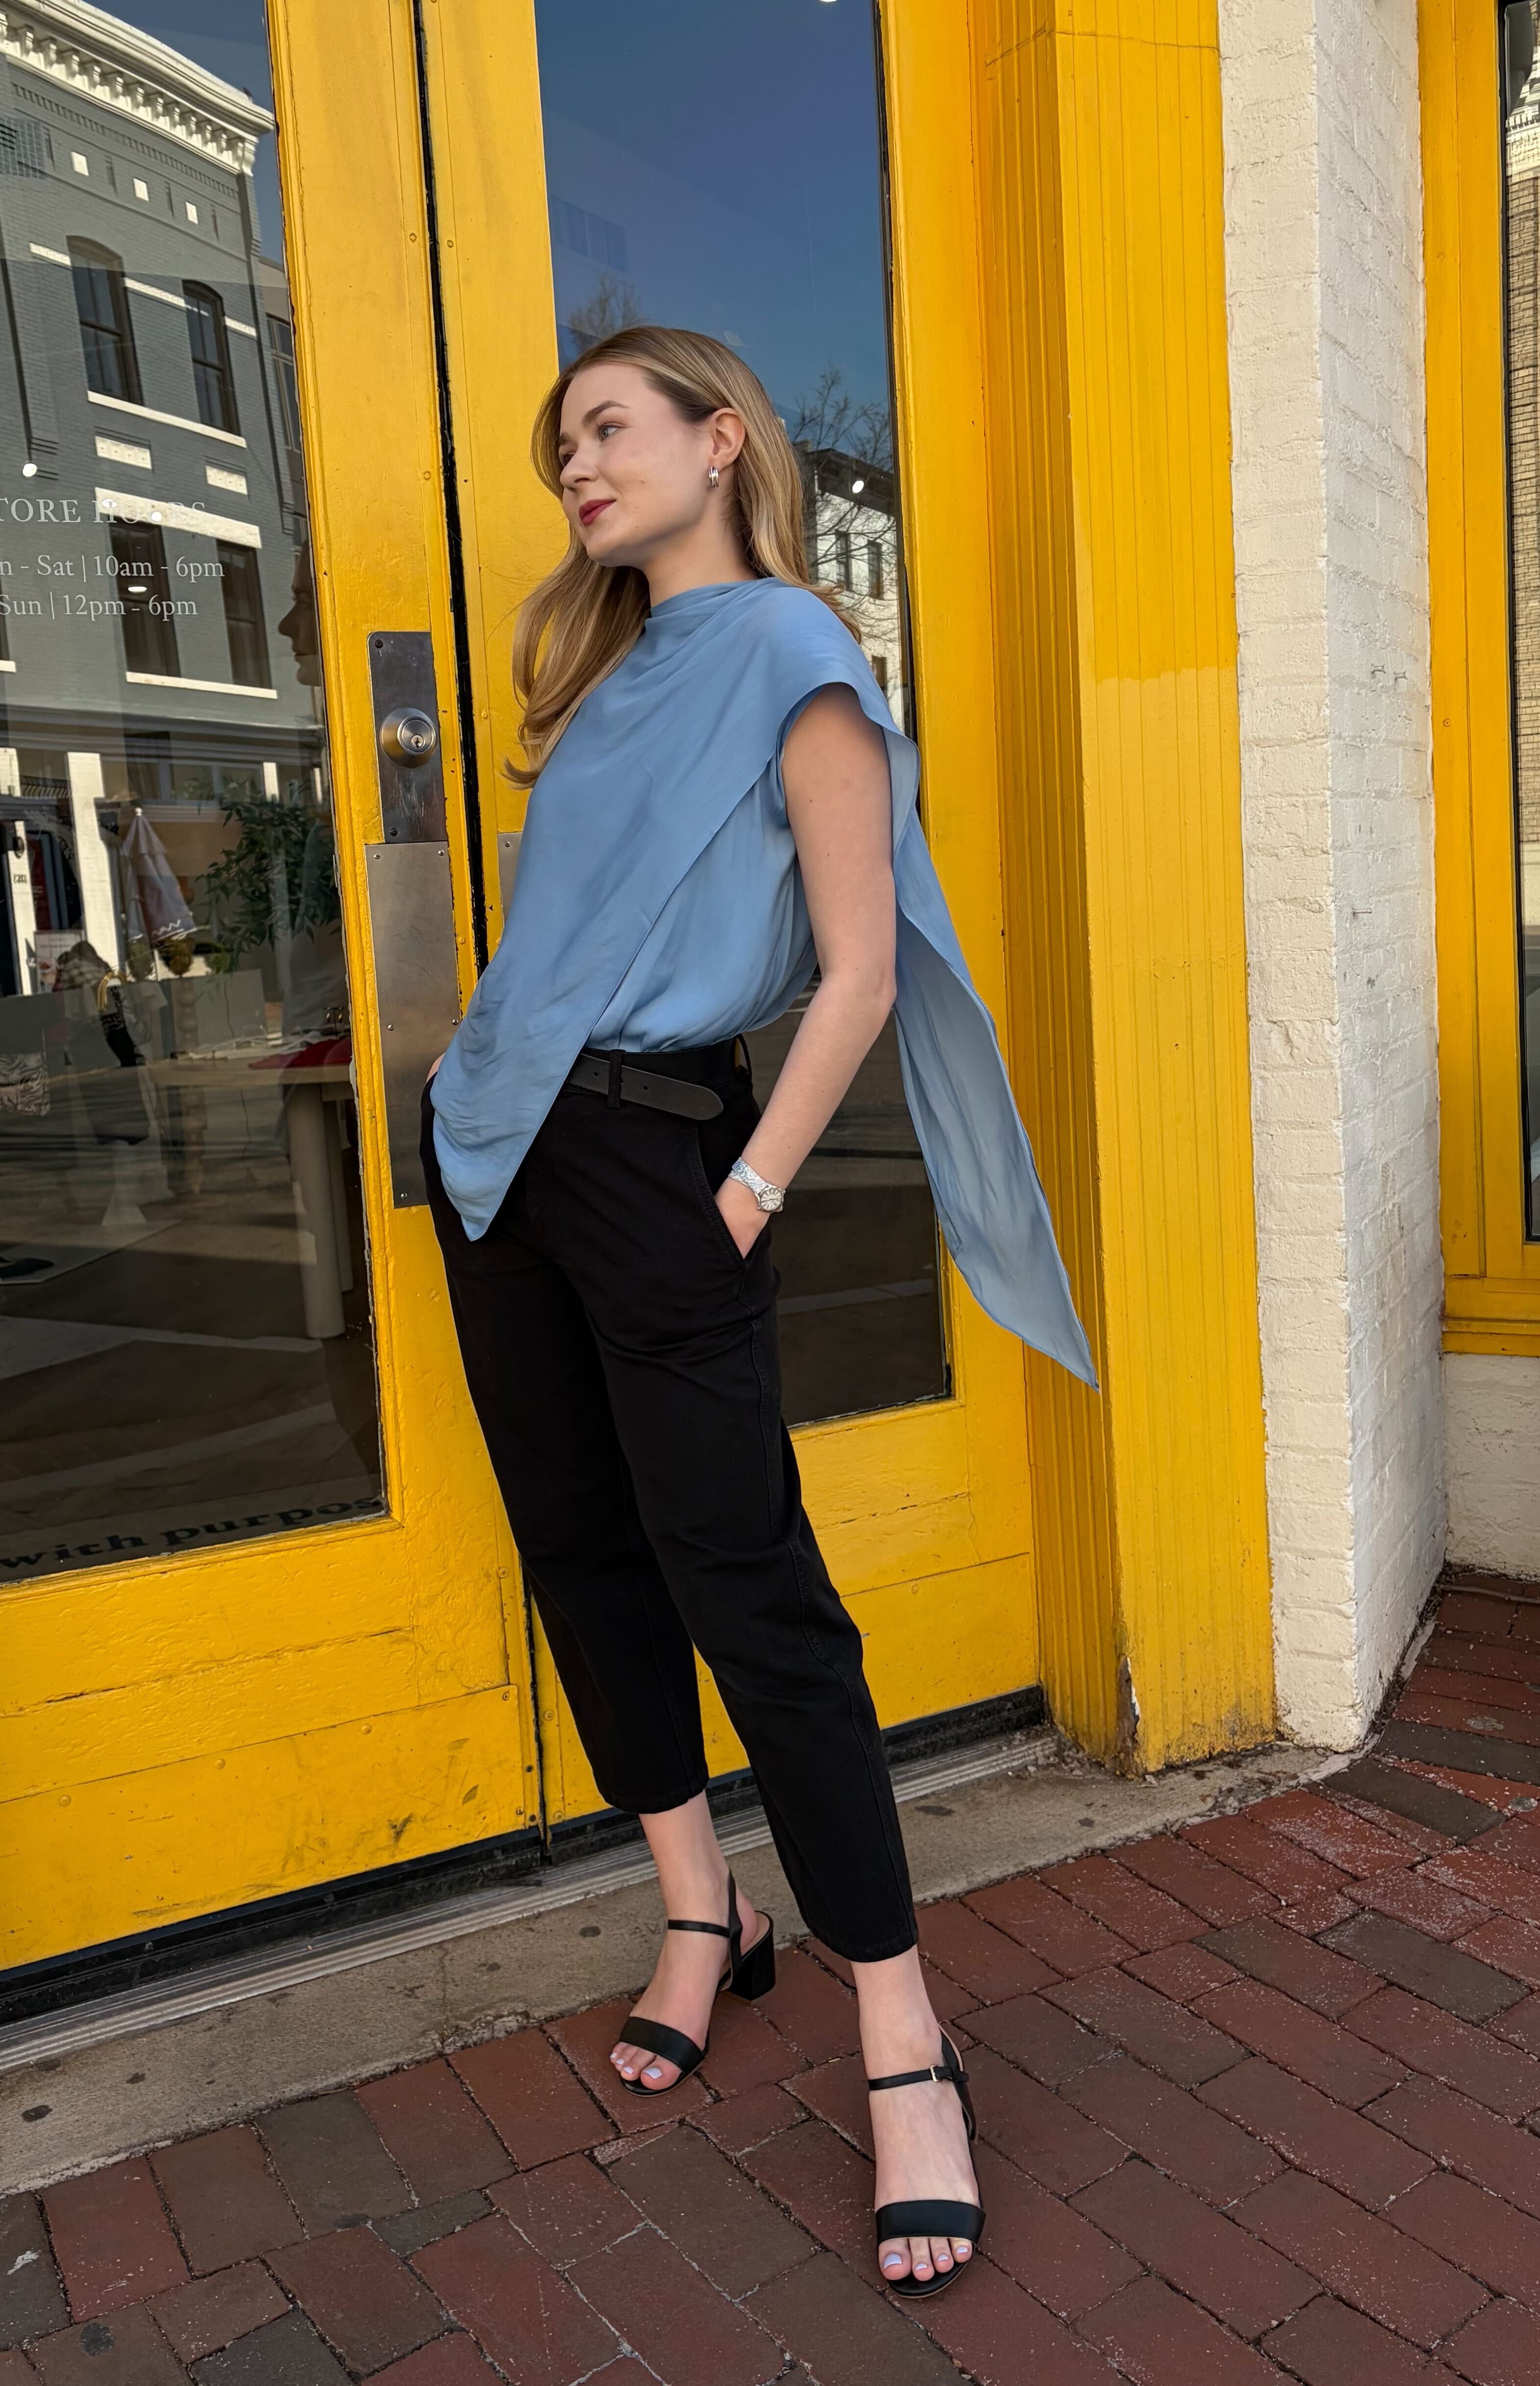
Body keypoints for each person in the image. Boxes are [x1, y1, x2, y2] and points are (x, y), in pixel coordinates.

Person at [423, 328, 1097, 2298]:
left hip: (656, 1164)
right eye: (562, 445)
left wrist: (742, 1191)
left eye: (608, 429)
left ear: (722, 442)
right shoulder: (610, 678)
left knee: (749, 1579)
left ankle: (903, 2034)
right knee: (583, 1550)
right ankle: (701, 1916)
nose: (578, 466)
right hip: (500, 1165)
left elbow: (863, 970)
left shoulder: (796, 654)